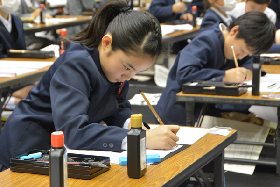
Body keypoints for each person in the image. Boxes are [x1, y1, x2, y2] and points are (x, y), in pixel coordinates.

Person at [0, 0, 180, 172]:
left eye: (137, 72)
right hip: (29, 148)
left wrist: (135, 128)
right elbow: (74, 132)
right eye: (127, 68)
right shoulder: (76, 64)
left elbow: (117, 108)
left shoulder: (115, 69)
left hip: (61, 151)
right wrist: (138, 139)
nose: (128, 77)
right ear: (107, 43)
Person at [155, 11, 275, 126]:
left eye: (248, 54)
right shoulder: (206, 41)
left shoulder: (236, 45)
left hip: (206, 108)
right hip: (178, 113)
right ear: (234, 31)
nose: (241, 56)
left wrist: (248, 70)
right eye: (243, 50)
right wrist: (224, 76)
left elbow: (251, 60)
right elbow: (184, 74)